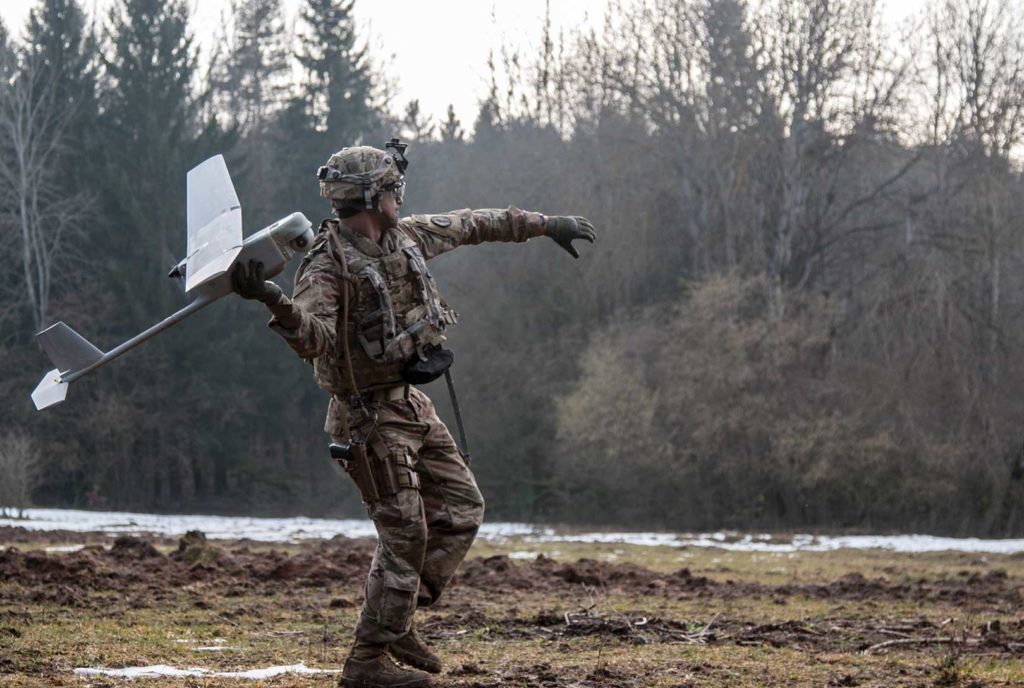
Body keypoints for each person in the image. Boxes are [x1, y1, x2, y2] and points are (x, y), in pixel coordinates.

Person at [232, 139, 596, 688]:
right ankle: (366, 664)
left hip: (410, 401)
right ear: (374, 196)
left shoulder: (408, 236)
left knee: (462, 509)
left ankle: (394, 621)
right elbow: (314, 338)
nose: (401, 195)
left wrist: (547, 225)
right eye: (393, 188)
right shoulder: (328, 266)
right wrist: (271, 300)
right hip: (366, 420)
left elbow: (476, 223)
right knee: (405, 536)